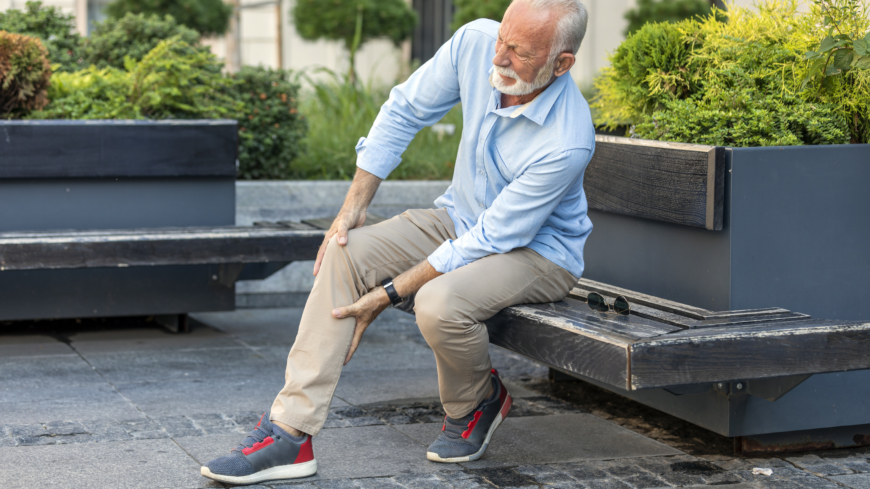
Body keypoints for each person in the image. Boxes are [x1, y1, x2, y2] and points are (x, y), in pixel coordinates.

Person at [201, 0, 594, 484]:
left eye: (519, 51)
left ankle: (477, 401)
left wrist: (389, 293)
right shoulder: (475, 43)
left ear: (562, 63)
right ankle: (290, 433)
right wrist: (353, 207)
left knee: (438, 301)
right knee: (347, 250)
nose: (499, 58)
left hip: (537, 251)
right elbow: (405, 109)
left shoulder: (568, 139)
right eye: (502, 41)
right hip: (460, 218)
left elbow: (496, 236)